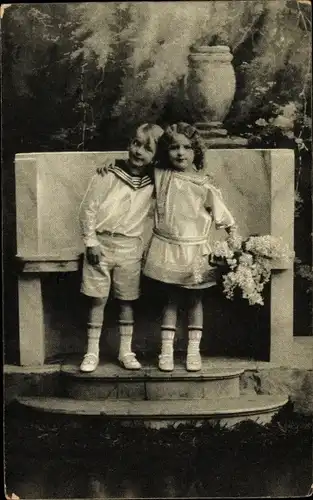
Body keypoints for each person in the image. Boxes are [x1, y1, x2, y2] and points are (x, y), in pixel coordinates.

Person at [143, 122, 237, 372]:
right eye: (174, 148)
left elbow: (223, 215)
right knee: (170, 300)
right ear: (165, 151)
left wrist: (232, 238)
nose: (180, 153)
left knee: (195, 301)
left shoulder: (204, 184)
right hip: (168, 248)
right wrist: (113, 166)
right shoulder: (161, 175)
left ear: (196, 151)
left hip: (195, 251)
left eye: (187, 148)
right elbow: (139, 158)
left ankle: (193, 351)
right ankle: (166, 351)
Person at [79, 123, 163, 372]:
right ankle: (91, 352)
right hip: (101, 245)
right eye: (135, 143)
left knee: (127, 301)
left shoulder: (154, 182)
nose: (138, 151)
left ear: (156, 156)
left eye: (147, 148)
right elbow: (88, 209)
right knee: (98, 299)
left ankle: (126, 351)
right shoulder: (108, 173)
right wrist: (91, 241)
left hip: (130, 248)